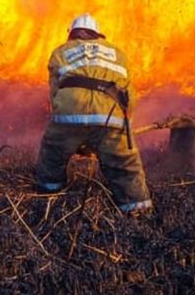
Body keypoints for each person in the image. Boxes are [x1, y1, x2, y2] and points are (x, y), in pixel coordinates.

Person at [35, 13, 152, 213]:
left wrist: (67, 125)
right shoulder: (118, 53)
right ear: (98, 34)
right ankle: (138, 212)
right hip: (111, 116)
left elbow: (55, 92)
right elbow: (129, 93)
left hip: (70, 115)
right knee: (125, 167)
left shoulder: (61, 51)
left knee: (52, 155)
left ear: (71, 34)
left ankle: (47, 201)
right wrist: (124, 122)